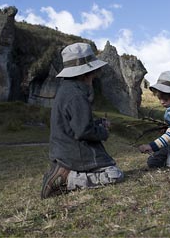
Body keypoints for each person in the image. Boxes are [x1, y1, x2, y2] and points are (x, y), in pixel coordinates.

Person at [41, 42, 123, 199]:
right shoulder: (77, 95)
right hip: (73, 152)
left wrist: (98, 123)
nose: (95, 75)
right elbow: (83, 131)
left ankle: (66, 172)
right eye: (93, 72)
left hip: (64, 151)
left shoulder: (67, 90)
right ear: (85, 73)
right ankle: (68, 178)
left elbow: (75, 123)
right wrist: (103, 131)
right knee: (114, 174)